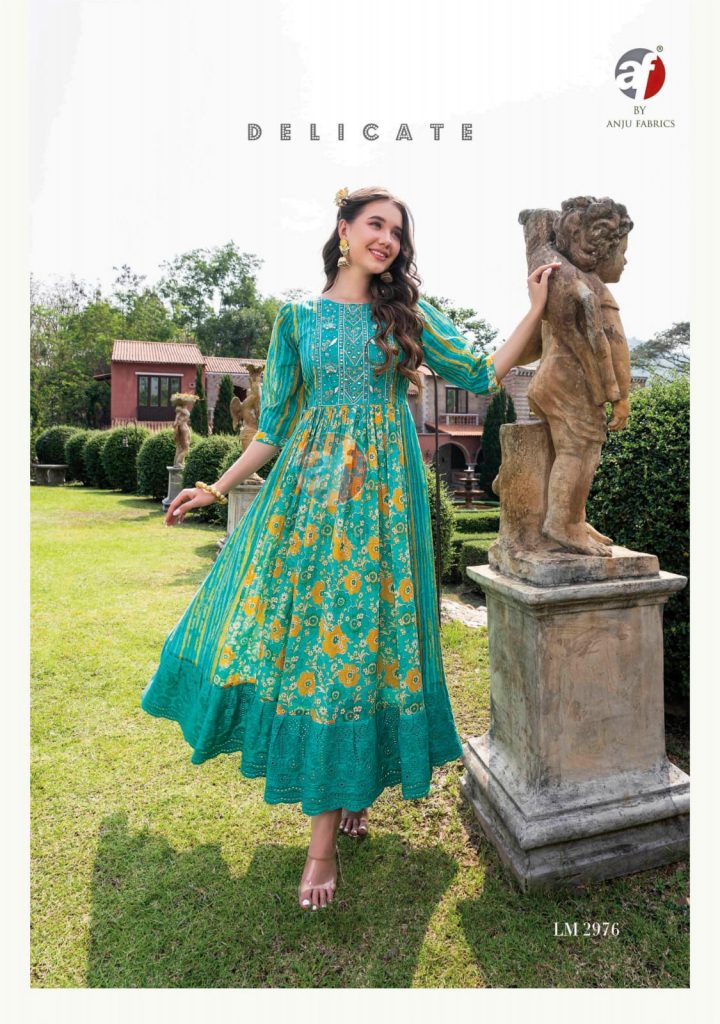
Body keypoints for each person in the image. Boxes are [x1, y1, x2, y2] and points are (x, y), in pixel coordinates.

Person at [141, 185, 559, 912]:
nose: (387, 239)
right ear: (343, 230)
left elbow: (479, 374)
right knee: (323, 645)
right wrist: (215, 487)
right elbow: (273, 427)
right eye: (375, 224)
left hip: (387, 504)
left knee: (374, 638)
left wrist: (534, 309)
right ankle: (326, 835)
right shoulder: (297, 319)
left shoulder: (408, 313)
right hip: (314, 505)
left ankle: (347, 800)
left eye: (397, 230)